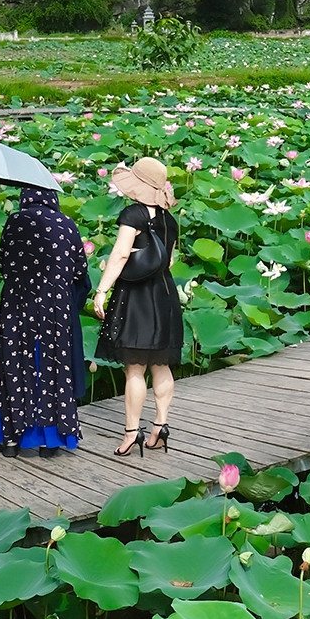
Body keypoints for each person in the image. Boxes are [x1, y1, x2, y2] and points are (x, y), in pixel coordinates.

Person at [0, 186, 91, 457]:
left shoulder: (14, 221)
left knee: (14, 366)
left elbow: (4, 264)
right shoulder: (67, 224)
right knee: (52, 367)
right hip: (55, 305)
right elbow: (80, 270)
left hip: (17, 302)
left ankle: (11, 439)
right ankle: (51, 441)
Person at [95, 158, 184, 453]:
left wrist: (102, 290)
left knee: (134, 369)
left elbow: (121, 255)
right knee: (161, 366)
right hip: (165, 295)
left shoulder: (132, 214)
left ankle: (131, 432)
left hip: (137, 297)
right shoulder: (170, 221)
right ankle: (160, 425)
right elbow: (168, 261)